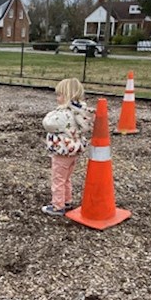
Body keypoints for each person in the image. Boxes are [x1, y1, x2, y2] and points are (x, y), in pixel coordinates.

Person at [41, 78, 94, 216]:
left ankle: (57, 206)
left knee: (58, 178)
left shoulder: (63, 114)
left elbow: (48, 123)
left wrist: (52, 112)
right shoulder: (80, 112)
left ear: (66, 96)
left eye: (59, 95)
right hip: (73, 151)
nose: (57, 98)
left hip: (62, 152)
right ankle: (67, 200)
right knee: (66, 177)